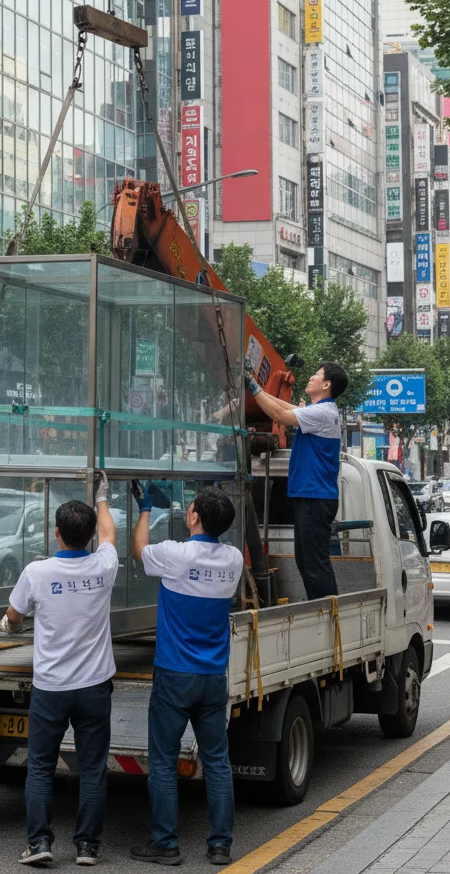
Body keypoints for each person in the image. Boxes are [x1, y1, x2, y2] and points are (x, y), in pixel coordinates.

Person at [0, 474, 119, 867]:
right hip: (94, 686)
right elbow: (109, 534)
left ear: (56, 533)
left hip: (51, 687)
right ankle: (87, 846)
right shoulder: (104, 566)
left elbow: (14, 617)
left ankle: (39, 844)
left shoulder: (38, 572)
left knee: (40, 766)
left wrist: (9, 625)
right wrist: (102, 498)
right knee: (92, 769)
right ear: (86, 537)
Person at [129, 485, 243, 867]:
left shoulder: (175, 555)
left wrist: (145, 508)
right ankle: (220, 845)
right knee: (217, 762)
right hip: (213, 676)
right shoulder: (233, 559)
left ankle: (166, 844)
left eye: (190, 508)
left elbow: (139, 548)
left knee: (163, 761)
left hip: (175, 675)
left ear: (194, 518)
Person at [246, 362, 348, 601]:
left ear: (326, 384)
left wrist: (251, 385)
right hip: (313, 495)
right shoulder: (323, 410)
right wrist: (258, 388)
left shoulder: (322, 413)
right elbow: (285, 406)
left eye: (316, 374)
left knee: (313, 563)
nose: (311, 377)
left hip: (316, 496)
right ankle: (323, 608)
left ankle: (324, 611)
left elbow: (279, 415)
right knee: (307, 560)